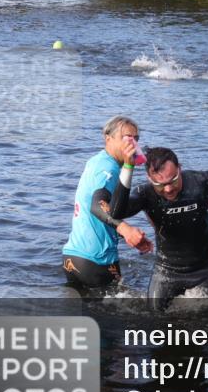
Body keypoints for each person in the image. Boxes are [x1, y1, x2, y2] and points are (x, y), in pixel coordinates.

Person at [109, 147, 208, 310]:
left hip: (202, 271)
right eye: (160, 184)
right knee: (153, 318)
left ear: (180, 168)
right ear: (149, 178)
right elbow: (116, 211)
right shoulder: (145, 193)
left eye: (173, 180)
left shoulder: (200, 180)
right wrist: (128, 167)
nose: (168, 189)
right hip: (165, 270)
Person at [62, 116, 151, 293]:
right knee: (118, 318)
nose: (132, 143)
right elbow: (97, 205)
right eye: (127, 138)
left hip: (72, 257)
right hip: (96, 262)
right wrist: (125, 229)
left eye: (136, 139)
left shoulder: (97, 161)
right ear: (108, 138)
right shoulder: (108, 169)